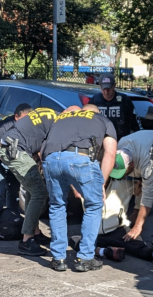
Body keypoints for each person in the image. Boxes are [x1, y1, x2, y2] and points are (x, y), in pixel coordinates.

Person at [71, 129, 153, 266]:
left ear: (131, 165)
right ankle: (106, 252)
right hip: (96, 232)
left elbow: (146, 193)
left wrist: (137, 225)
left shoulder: (139, 170)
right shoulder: (95, 182)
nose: (116, 176)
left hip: (117, 229)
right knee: (75, 240)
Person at [41, 104, 117, 272]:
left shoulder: (61, 118)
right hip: (80, 158)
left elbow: (43, 148)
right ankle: (85, 257)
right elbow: (110, 154)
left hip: (51, 159)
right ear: (95, 113)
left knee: (57, 205)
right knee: (94, 204)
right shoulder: (102, 119)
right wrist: (101, 183)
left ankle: (58, 258)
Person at [0, 106, 59, 257]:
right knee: (39, 193)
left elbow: (36, 138)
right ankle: (26, 240)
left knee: (33, 191)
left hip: (11, 146)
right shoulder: (59, 122)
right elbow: (48, 149)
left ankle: (35, 232)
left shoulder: (51, 114)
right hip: (15, 149)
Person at [0, 104, 32, 220]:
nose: (28, 123)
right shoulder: (3, 127)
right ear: (16, 117)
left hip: (12, 158)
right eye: (25, 119)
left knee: (13, 190)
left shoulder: (26, 126)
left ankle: (12, 219)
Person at [90, 73, 140, 140]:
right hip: (101, 141)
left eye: (108, 89)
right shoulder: (95, 100)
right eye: (104, 89)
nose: (106, 92)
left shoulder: (124, 100)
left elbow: (135, 122)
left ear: (114, 86)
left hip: (121, 141)